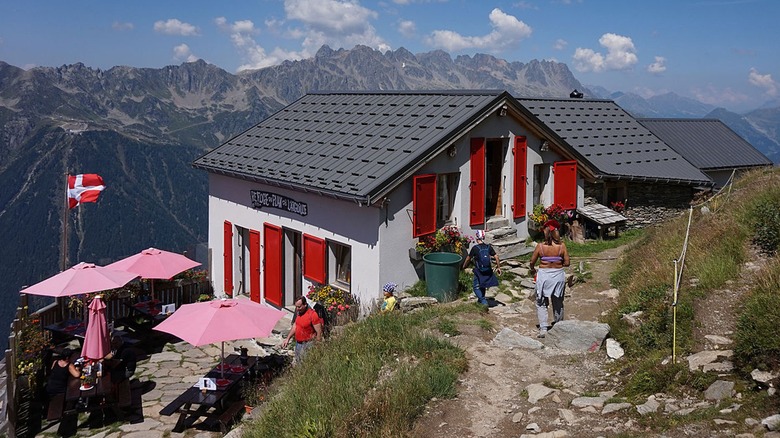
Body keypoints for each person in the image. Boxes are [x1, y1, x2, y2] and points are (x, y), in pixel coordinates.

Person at [529, 219, 571, 338]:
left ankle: (543, 329)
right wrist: (558, 261)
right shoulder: (562, 246)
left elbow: (532, 262)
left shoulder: (540, 246)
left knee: (541, 301)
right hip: (557, 275)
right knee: (558, 301)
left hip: (544, 275)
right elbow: (567, 263)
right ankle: (559, 325)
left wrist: (533, 269)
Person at [462, 230, 501, 306]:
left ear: (477, 238)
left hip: (479, 270)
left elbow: (468, 258)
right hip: (488, 270)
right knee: (483, 285)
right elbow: (496, 256)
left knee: (476, 287)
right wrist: (499, 267)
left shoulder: (475, 248)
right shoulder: (488, 247)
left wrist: (464, 266)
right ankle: (481, 301)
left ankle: (483, 301)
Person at [282, 296, 323, 364]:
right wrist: (287, 338)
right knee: (298, 362)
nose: (297, 309)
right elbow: (295, 325)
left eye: (299, 307)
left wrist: (318, 345)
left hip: (308, 344)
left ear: (305, 305)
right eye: (296, 307)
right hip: (298, 343)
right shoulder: (299, 313)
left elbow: (319, 332)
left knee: (306, 363)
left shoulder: (312, 315)